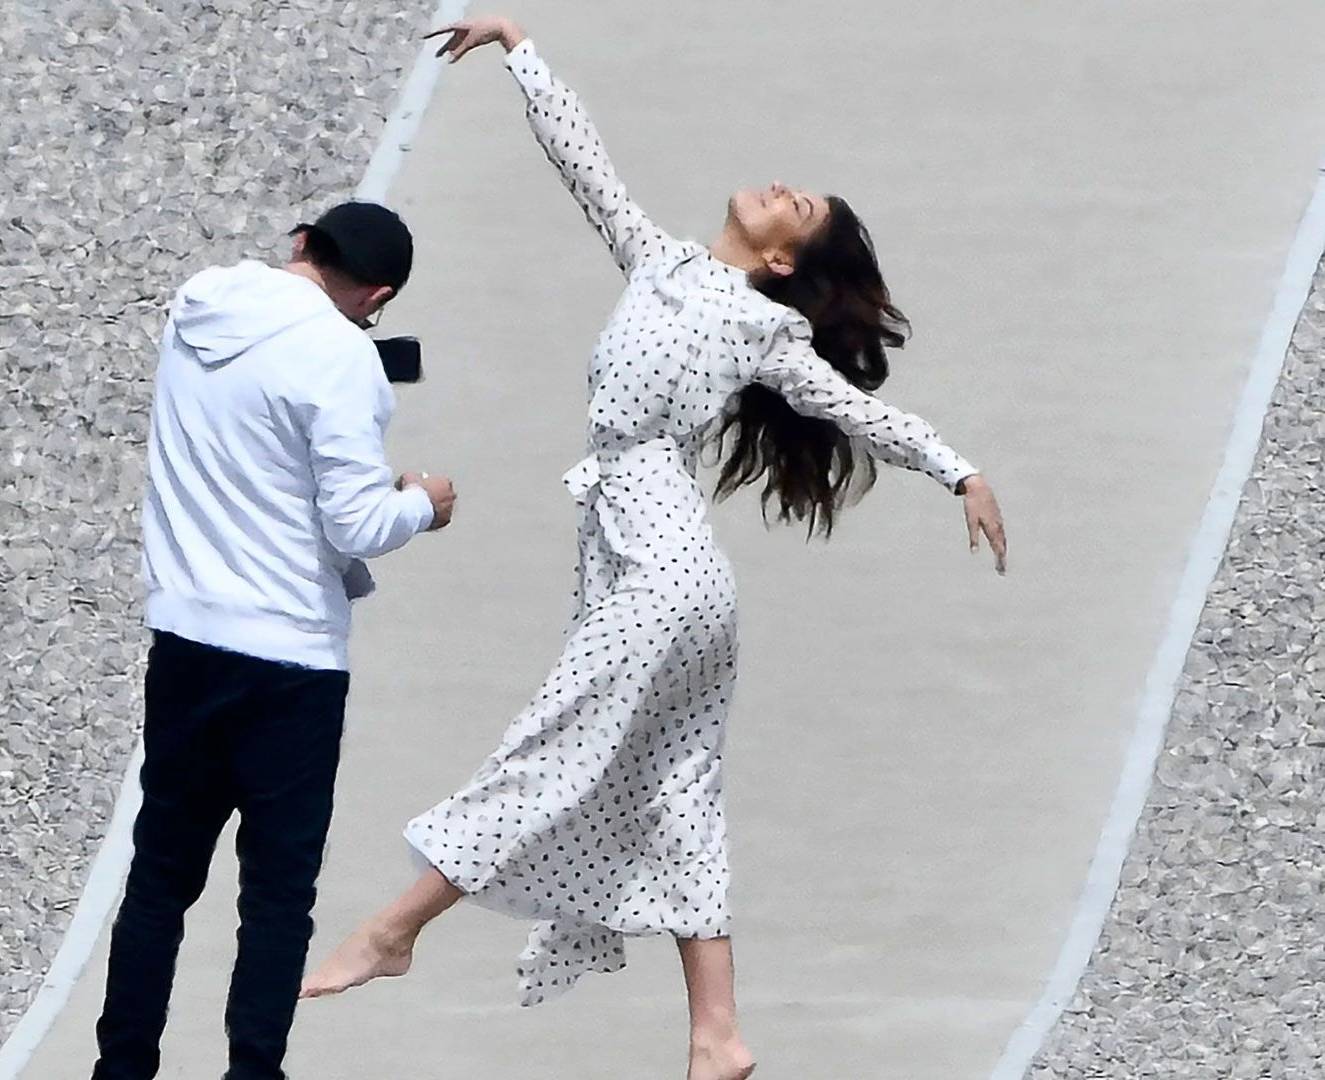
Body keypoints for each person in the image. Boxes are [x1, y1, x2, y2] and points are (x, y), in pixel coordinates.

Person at [299, 16, 1008, 1080]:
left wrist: (959, 469)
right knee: (678, 789)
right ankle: (717, 1034)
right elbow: (583, 163)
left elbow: (852, 408)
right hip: (649, 561)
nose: (780, 186)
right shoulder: (661, 259)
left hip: (663, 571)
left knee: (557, 748)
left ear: (780, 259)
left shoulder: (763, 327)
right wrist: (522, 50)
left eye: (798, 207)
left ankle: (395, 929)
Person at [93, 201, 456, 1080]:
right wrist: (423, 503)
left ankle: (120, 1069)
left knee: (159, 879)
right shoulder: (342, 358)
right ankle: (253, 1070)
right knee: (276, 895)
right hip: (291, 658)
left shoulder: (197, 306)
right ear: (378, 296)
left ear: (300, 243)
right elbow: (358, 523)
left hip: (186, 638)